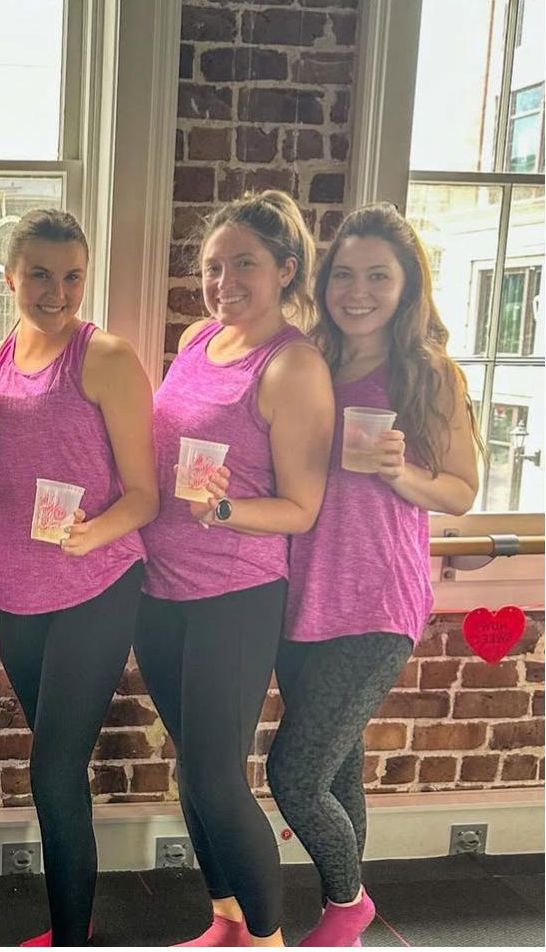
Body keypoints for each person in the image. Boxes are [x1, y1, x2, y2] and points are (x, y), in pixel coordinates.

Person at [266, 203, 481, 947]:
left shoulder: (427, 373)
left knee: (291, 775)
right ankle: (344, 924)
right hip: (300, 598)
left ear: (407, 284)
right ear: (325, 283)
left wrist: (405, 475)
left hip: (377, 602)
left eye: (378, 276)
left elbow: (459, 489)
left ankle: (347, 904)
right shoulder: (310, 362)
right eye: (345, 275)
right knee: (336, 772)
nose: (358, 291)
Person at [135, 190, 334, 948]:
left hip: (235, 594)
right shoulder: (194, 341)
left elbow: (300, 507)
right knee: (193, 770)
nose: (222, 282)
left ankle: (268, 938)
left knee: (219, 778)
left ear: (285, 269)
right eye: (213, 266)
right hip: (160, 590)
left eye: (243, 264)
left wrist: (226, 512)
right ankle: (225, 919)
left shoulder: (291, 366)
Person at [0, 209, 157, 947]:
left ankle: (72, 937)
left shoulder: (105, 356)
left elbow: (145, 493)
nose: (57, 290)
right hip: (12, 590)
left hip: (95, 586)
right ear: (11, 274)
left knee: (51, 770)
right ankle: (66, 928)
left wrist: (92, 533)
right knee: (56, 768)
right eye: (41, 274)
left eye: (73, 275)